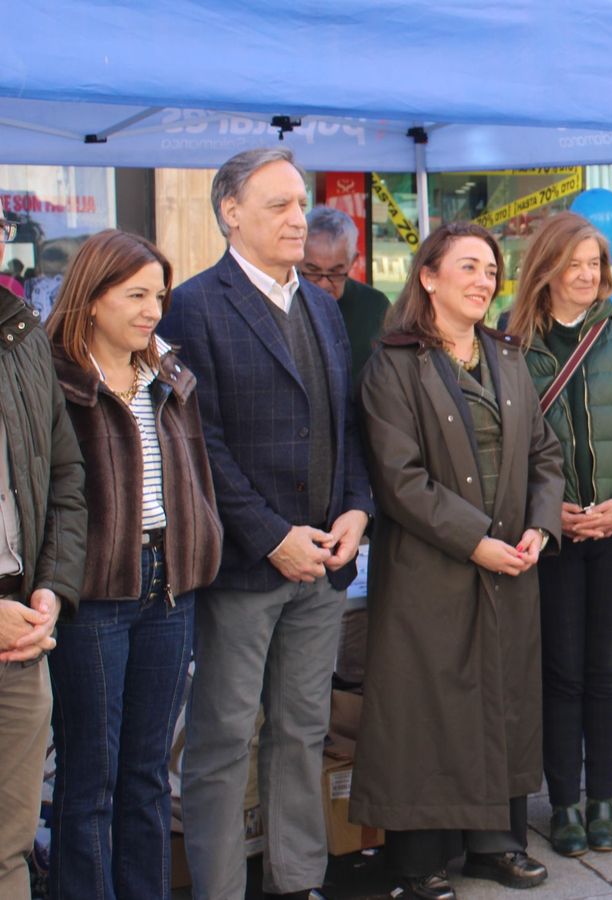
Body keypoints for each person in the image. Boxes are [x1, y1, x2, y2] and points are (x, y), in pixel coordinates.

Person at [158, 147, 374, 900]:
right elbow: (200, 441)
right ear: (231, 212)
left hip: (322, 562)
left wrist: (356, 509)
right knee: (221, 742)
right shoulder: (193, 304)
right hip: (247, 569)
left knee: (301, 732)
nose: (297, 217)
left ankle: (297, 882)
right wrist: (272, 536)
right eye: (278, 204)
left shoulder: (319, 303)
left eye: (299, 201)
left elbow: (346, 421)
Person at [355, 222, 564, 899]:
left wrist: (539, 525)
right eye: (467, 267)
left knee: (502, 704)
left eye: (490, 270)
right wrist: (475, 539)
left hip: (512, 566)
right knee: (427, 711)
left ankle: (494, 845)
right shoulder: (392, 363)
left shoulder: (507, 357)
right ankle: (419, 861)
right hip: (431, 569)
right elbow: (399, 477)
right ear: (428, 277)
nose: (482, 281)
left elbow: (545, 456)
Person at [44, 230, 222, 900]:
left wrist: (203, 536)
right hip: (93, 590)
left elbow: (195, 472)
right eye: (136, 294)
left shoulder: (168, 373)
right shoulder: (56, 377)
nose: (153, 308)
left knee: (148, 772)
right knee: (92, 773)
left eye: (159, 294)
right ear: (91, 299)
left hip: (170, 585)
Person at [503, 211, 612, 857]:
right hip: (547, 536)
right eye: (572, 263)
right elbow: (502, 444)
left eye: (594, 265)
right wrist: (544, 510)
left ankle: (605, 799)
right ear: (546, 268)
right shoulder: (511, 344)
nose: (585, 275)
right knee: (559, 673)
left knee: (608, 671)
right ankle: (565, 803)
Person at [0, 250, 86, 900]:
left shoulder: (20, 333)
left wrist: (52, 589)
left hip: (24, 630)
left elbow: (64, 476)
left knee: (10, 847)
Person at [302, 206, 391, 385]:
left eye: (336, 272)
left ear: (353, 261)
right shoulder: (283, 302)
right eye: (312, 271)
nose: (324, 284)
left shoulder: (375, 306)